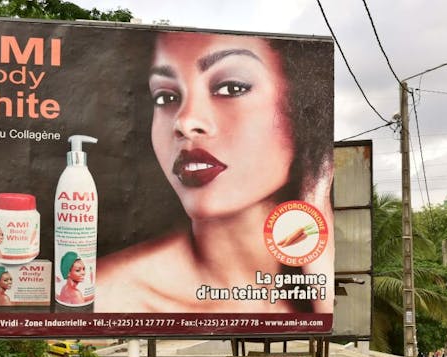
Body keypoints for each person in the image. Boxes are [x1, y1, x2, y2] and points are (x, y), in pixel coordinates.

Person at [96, 30, 334, 315]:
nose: (185, 122)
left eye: (231, 88)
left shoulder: (319, 292)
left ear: (304, 109)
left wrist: (322, 275)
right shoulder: (106, 296)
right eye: (165, 97)